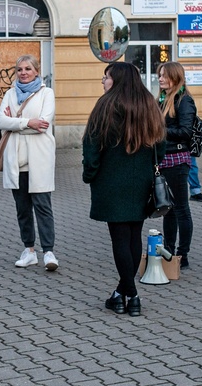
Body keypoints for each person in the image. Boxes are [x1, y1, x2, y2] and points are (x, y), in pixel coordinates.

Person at [83, 62, 166, 317]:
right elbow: (161, 145)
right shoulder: (149, 104)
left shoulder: (105, 106)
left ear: (116, 79)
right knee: (133, 236)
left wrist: (89, 174)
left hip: (111, 182)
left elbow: (92, 147)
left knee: (120, 239)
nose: (103, 81)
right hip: (141, 182)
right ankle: (121, 293)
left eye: (106, 77)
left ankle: (131, 295)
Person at [0, 55, 59, 271]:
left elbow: (43, 123)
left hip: (39, 158)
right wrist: (27, 122)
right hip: (17, 160)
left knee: (43, 206)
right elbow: (0, 121)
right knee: (22, 208)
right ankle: (29, 250)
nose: (23, 72)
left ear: (36, 71)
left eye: (28, 68)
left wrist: (15, 123)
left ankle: (48, 251)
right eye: (19, 69)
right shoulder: (10, 94)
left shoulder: (46, 93)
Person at [157, 62, 196, 269]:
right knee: (168, 209)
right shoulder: (162, 100)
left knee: (181, 209)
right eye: (159, 75)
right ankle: (168, 251)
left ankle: (183, 254)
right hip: (163, 160)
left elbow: (185, 131)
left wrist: (160, 131)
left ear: (175, 77)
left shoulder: (184, 100)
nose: (161, 79)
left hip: (178, 160)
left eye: (164, 75)